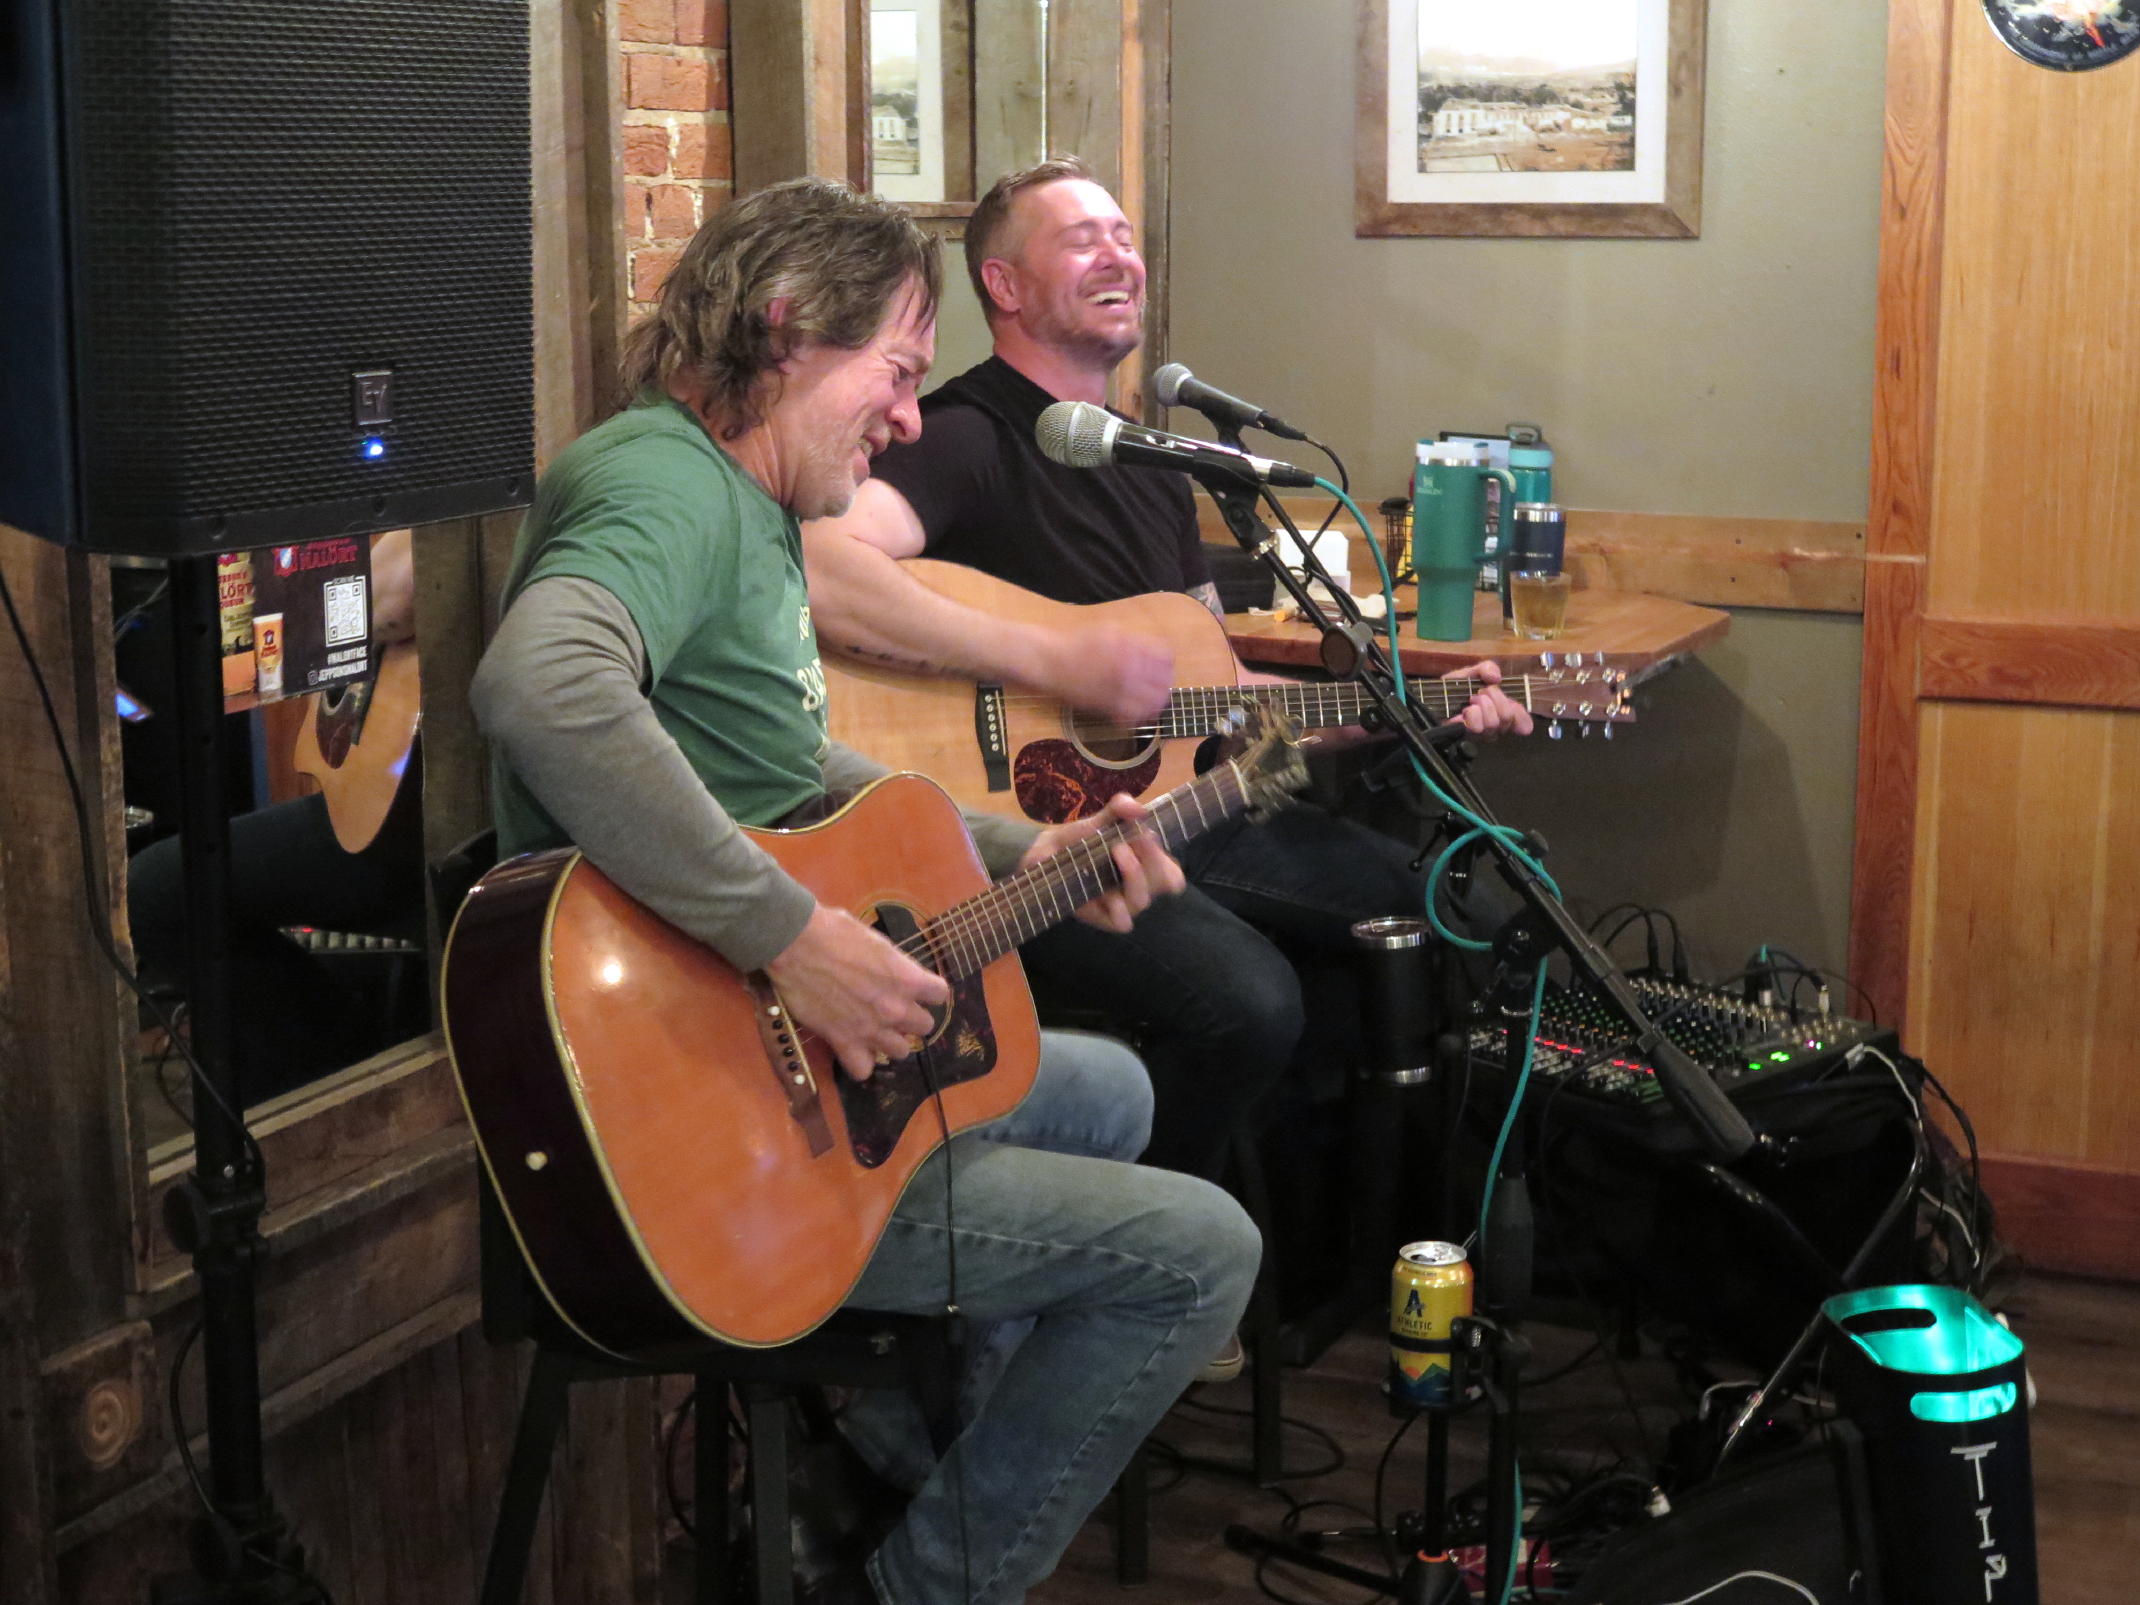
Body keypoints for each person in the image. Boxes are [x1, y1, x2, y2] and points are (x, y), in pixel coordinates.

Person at [466, 177, 1259, 1605]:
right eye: (894, 372)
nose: (906, 418)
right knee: (1203, 1253)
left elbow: (782, 759)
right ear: (784, 332)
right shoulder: (661, 485)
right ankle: (920, 1587)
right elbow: (541, 686)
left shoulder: (747, 497)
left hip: (759, 1057)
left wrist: (1023, 855)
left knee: (1107, 1091)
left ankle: (883, 1465)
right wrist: (791, 939)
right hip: (709, 1105)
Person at [803, 156, 1531, 1185]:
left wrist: (1415, 711)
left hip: (1192, 808)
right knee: (1250, 1001)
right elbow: (820, 564)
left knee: (1457, 915)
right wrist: (1059, 659)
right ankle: (1140, 1231)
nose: (1119, 257)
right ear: (1004, 284)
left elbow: (1215, 702)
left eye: (1125, 237)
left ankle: (1346, 1236)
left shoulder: (1154, 467)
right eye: (1082, 240)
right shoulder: (965, 436)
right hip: (1036, 838)